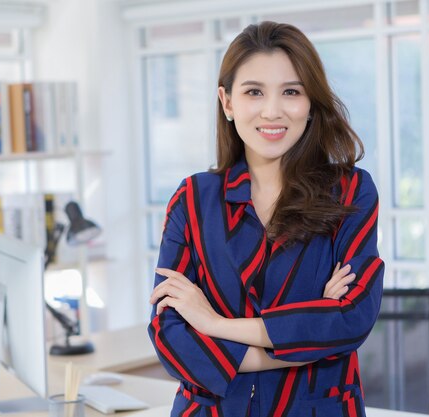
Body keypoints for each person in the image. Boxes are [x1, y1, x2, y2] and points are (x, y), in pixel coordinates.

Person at [148, 21, 384, 417]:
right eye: (254, 91)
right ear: (227, 102)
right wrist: (304, 336)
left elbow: (350, 320)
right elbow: (169, 334)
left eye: (291, 92)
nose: (272, 111)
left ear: (310, 104)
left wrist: (214, 323)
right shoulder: (193, 199)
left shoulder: (351, 192)